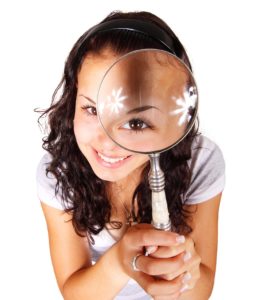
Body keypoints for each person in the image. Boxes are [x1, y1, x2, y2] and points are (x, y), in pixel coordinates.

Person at [36, 11, 225, 300]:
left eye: (135, 123)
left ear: (173, 123)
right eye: (91, 109)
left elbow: (200, 291)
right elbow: (74, 292)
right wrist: (120, 261)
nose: (106, 140)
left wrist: (182, 275)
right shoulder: (57, 171)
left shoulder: (199, 161)